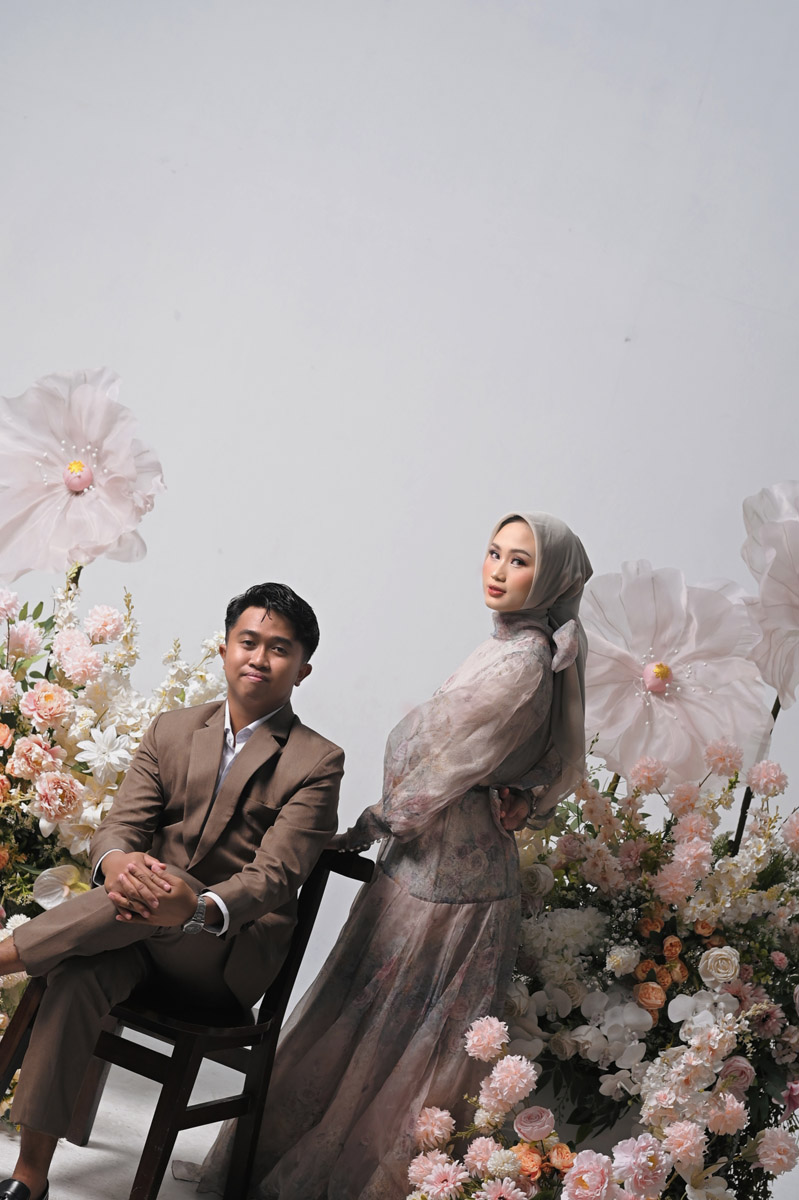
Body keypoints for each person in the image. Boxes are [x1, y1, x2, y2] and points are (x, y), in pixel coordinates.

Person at [184, 512, 592, 1200]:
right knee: (362, 1020)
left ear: (550, 576)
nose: (497, 570)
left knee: (397, 1037)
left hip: (452, 890)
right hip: (423, 867)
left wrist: (374, 823)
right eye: (493, 552)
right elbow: (475, 755)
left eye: (519, 560)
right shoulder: (505, 649)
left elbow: (444, 763)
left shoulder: (525, 661)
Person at [0, 582, 344, 1200]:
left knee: (172, 883)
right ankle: (30, 1177)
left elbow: (275, 876)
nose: (259, 658)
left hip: (224, 954)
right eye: (248, 641)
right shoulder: (173, 730)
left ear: (303, 669)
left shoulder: (317, 761)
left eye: (279, 649)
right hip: (136, 928)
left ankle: (7, 955)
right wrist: (117, 864)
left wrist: (201, 907)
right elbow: (119, 829)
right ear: (225, 648)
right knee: (77, 975)